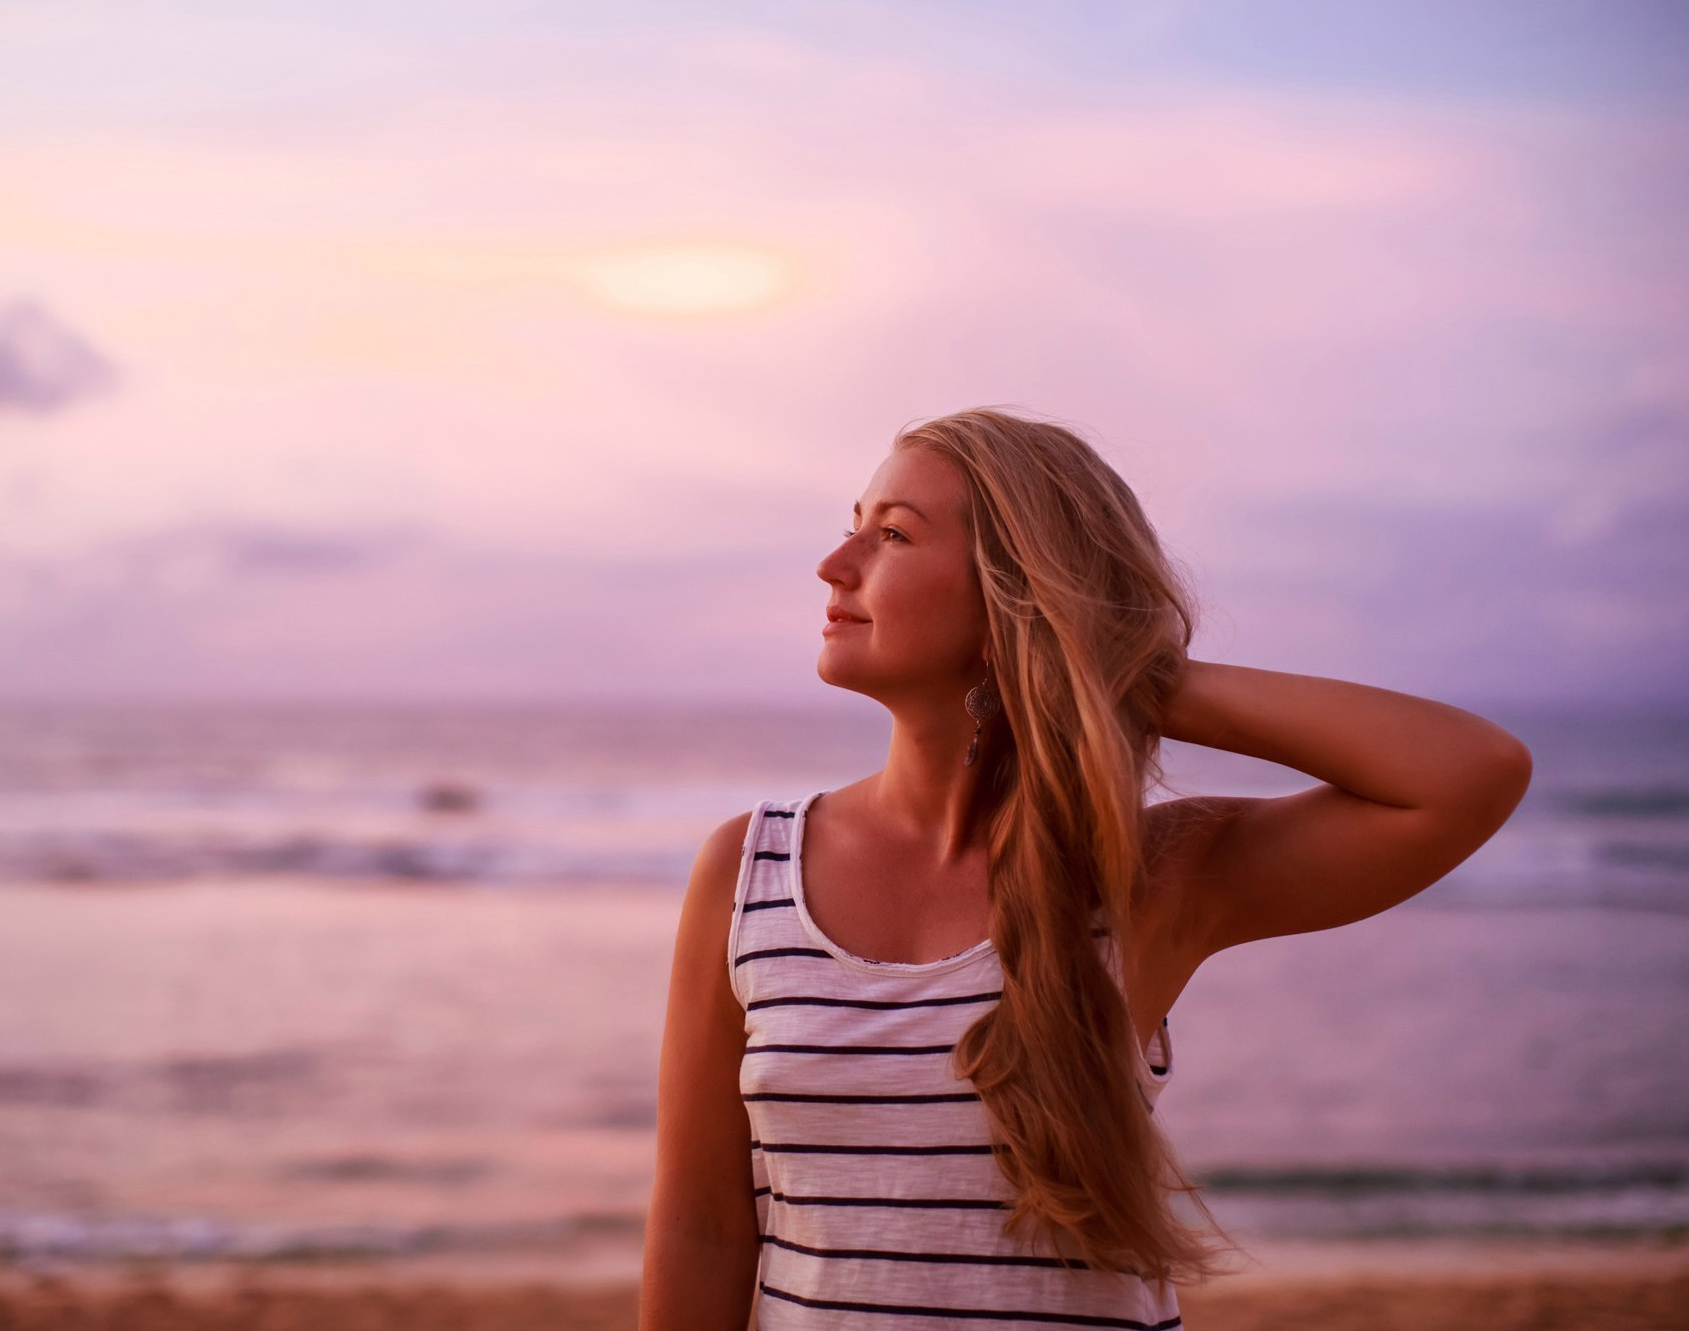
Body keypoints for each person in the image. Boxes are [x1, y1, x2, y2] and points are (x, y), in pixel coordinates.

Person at [637, 407, 1533, 1329]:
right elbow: (701, 1225)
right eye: (852, 524)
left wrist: (1119, 666)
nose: (836, 564)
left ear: (1015, 596)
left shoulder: (1142, 877)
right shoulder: (751, 868)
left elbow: (1469, 774)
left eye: (894, 534)